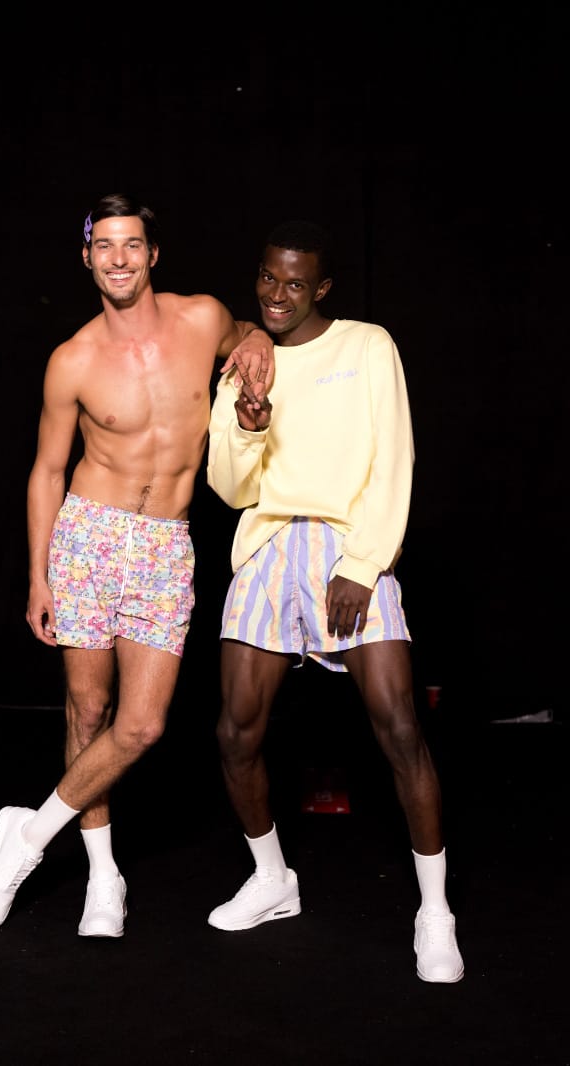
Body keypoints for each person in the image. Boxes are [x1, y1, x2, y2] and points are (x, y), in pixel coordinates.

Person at [0, 193, 273, 938]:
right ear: (87, 257)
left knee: (141, 725)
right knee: (89, 712)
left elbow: (245, 335)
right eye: (104, 245)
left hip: (166, 543)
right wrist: (39, 575)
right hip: (87, 536)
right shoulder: (72, 359)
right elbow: (47, 471)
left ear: (152, 253)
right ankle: (103, 879)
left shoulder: (201, 319)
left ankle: (27, 833)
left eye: (131, 244)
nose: (118, 258)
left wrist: (256, 343)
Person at [205, 219, 464, 983]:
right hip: (268, 546)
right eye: (268, 278)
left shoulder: (367, 345)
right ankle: (272, 879)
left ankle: (435, 911)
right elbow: (231, 488)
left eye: (295, 283)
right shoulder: (245, 365)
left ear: (321, 287)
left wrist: (363, 562)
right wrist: (249, 426)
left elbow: (394, 457)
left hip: (352, 545)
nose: (277, 295)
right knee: (235, 732)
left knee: (400, 726)